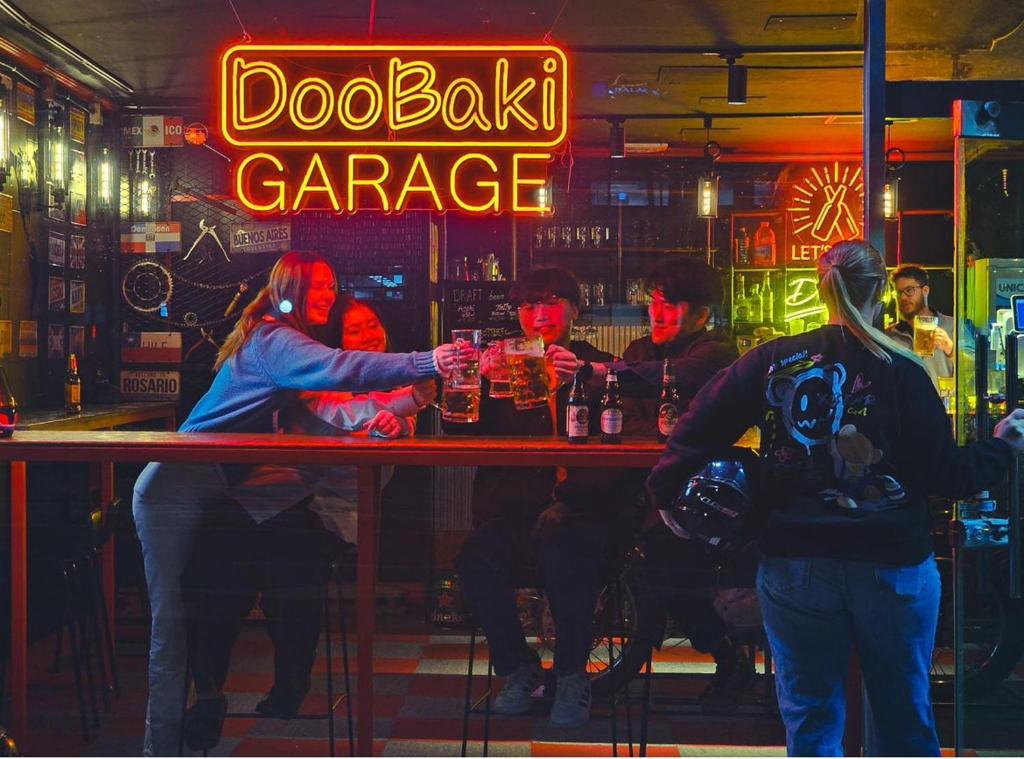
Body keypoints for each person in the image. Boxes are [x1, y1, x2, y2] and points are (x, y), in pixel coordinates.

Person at [646, 240, 1024, 756]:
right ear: (883, 289)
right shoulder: (904, 370)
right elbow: (947, 476)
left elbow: (692, 428)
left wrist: (665, 494)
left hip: (795, 561)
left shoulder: (776, 360)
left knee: (811, 719)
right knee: (903, 721)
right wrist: (1002, 446)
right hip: (891, 564)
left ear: (824, 289)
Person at [132, 251, 462, 756]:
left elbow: (343, 397)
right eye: (320, 286)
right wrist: (427, 362)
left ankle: (202, 716)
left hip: (211, 486)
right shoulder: (274, 339)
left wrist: (408, 401)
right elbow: (339, 372)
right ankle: (161, 747)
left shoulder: (278, 341)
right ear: (291, 287)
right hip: (175, 484)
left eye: (334, 285)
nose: (329, 296)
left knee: (204, 599)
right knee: (170, 622)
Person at [184, 295, 434, 748]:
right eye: (354, 330)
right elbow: (338, 412)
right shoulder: (314, 381)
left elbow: (384, 438)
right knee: (223, 560)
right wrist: (409, 401)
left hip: (329, 512)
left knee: (280, 556)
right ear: (335, 343)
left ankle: (280, 683)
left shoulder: (392, 391)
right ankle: (211, 688)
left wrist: (401, 415)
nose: (368, 336)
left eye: (373, 325)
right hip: (280, 501)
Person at [452, 267, 619, 729]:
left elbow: (617, 439)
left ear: (575, 310)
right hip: (510, 512)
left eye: (550, 303)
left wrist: (584, 380)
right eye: (527, 305)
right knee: (475, 561)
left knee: (570, 556)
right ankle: (517, 668)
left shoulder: (597, 364)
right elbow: (457, 431)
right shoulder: (503, 361)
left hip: (580, 509)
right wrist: (476, 380)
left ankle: (570, 676)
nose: (538, 315)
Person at [586, 258, 751, 710]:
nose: (656, 313)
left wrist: (608, 375)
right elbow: (631, 421)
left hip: (703, 494)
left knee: (667, 554)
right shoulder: (640, 351)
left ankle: (723, 651)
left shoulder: (718, 353)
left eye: (671, 305)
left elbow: (679, 385)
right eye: (653, 303)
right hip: (639, 485)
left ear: (702, 313)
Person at [885, 265, 957, 384]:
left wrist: (951, 349)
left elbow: (974, 369)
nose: (903, 297)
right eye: (898, 292)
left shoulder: (953, 327)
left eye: (909, 290)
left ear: (925, 291)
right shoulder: (890, 337)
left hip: (941, 401)